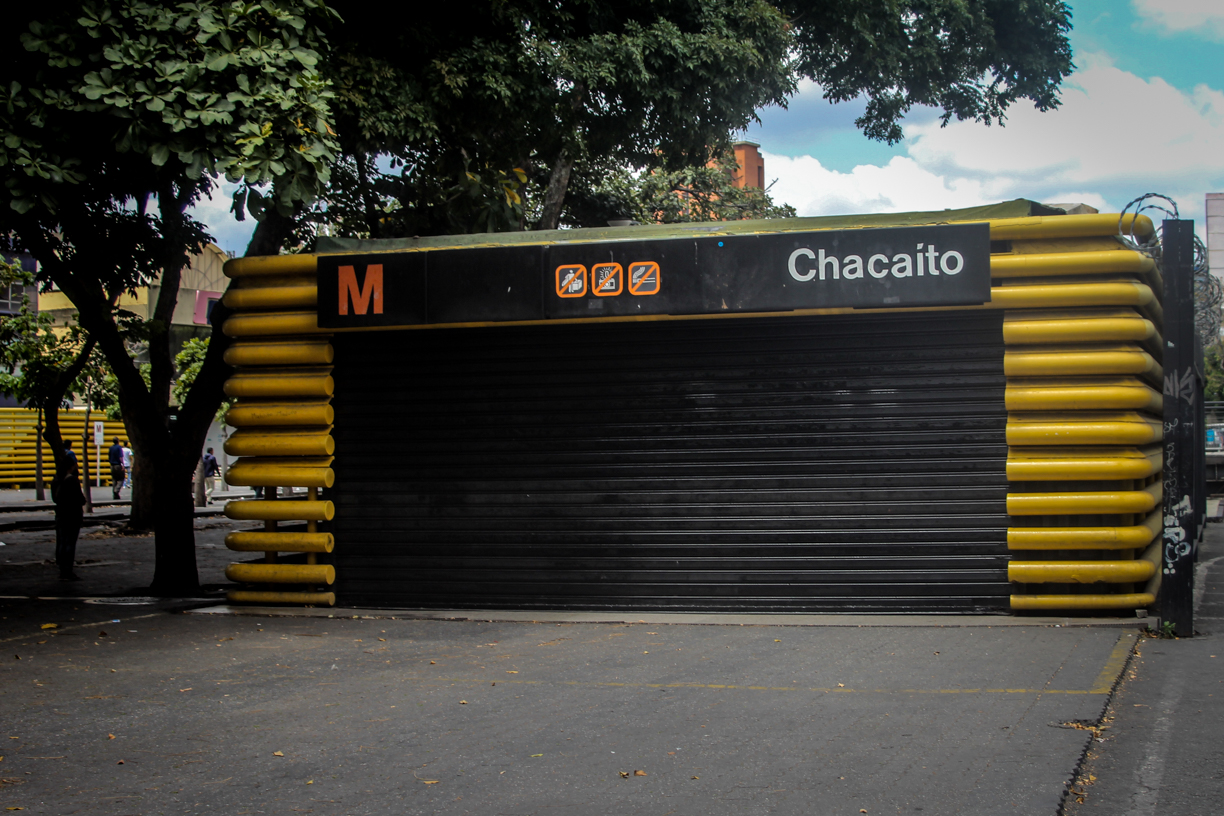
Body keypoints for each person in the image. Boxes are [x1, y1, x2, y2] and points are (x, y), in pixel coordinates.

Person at [51, 440, 85, 581]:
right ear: (71, 466)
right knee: (70, 543)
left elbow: (55, 498)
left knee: (62, 541)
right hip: (72, 515)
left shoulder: (56, 480)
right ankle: (68, 570)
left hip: (60, 513)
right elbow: (80, 499)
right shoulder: (72, 481)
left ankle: (61, 568)